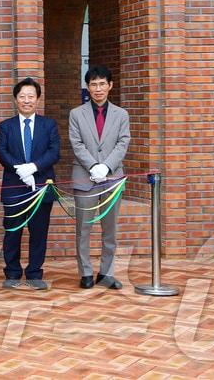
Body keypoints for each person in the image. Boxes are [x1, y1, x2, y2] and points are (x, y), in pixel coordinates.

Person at [69, 65, 131, 290]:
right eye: (93, 84)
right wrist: (94, 165)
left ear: (110, 85)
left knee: (110, 230)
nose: (98, 89)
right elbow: (76, 143)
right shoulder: (76, 114)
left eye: (102, 84)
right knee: (83, 229)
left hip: (112, 179)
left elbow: (123, 143)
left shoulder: (121, 114)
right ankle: (85, 272)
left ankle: (107, 272)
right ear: (88, 86)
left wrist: (106, 166)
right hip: (85, 178)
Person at [0, 76, 59, 291]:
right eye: (22, 96)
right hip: (14, 187)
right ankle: (12, 272)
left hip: (41, 187)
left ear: (38, 99)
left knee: (39, 232)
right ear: (16, 99)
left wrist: (33, 167)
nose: (26, 100)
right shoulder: (5, 126)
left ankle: (34, 273)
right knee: (12, 231)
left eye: (31, 96)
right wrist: (20, 169)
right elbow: (2, 152)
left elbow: (54, 152)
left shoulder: (49, 124)